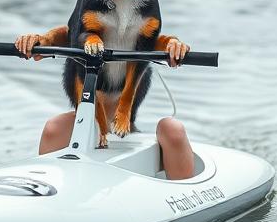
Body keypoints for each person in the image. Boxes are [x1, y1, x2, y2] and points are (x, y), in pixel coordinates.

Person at [14, 33, 196, 181]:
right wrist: (42, 41)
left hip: (157, 137)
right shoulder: (57, 130)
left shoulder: (170, 134)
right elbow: (71, 32)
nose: (103, 88)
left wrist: (173, 44)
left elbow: (151, 39)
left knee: (172, 129)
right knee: (57, 126)